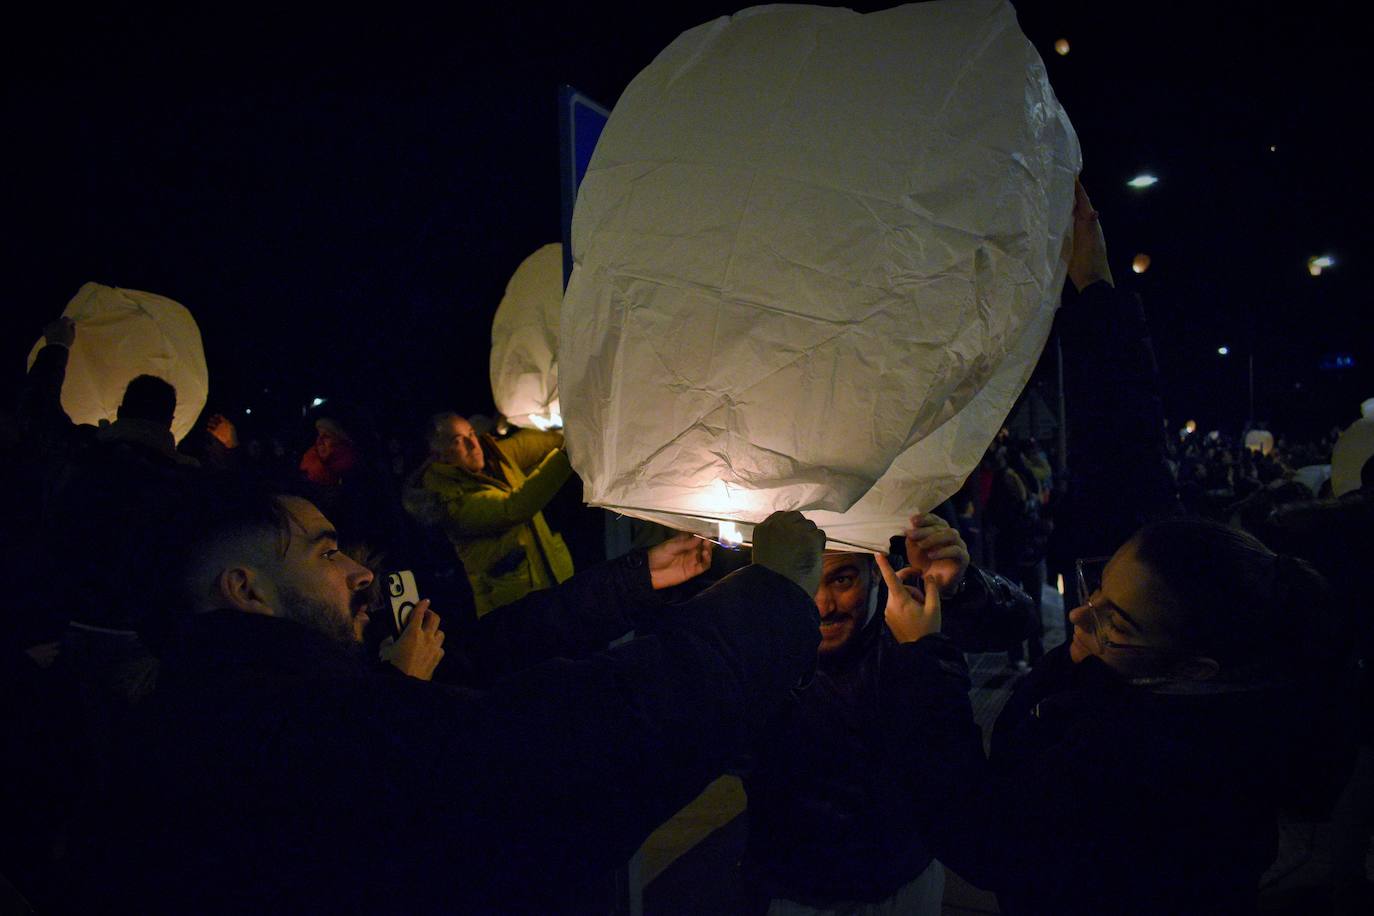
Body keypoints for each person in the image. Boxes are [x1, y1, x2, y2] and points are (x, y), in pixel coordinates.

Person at [887, 180, 1354, 914]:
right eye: (1096, 589)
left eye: (1111, 618)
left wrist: (925, 662)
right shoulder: (1178, 621)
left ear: (1195, 669)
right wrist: (1096, 288)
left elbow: (980, 834)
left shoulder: (1157, 771)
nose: (1077, 618)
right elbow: (1128, 455)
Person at [96, 479, 826, 914]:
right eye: (324, 552)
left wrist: (634, 581)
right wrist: (768, 601)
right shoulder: (282, 727)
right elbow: (559, 739)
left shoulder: (250, 688)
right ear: (245, 590)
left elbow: (477, 655)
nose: (359, 572)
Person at [742, 512, 1036, 914]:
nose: (823, 605)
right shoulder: (757, 653)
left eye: (842, 579)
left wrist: (960, 588)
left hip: (905, 879)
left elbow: (1019, 621)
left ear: (877, 573)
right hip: (796, 891)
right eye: (806, 580)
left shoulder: (909, 628)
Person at [417, 412, 575, 616]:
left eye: (472, 433)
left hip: (554, 582)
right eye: (458, 441)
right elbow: (515, 507)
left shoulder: (496, 456)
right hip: (517, 609)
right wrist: (567, 455)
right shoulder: (451, 503)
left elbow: (545, 441)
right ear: (439, 456)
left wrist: (574, 427)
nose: (473, 444)